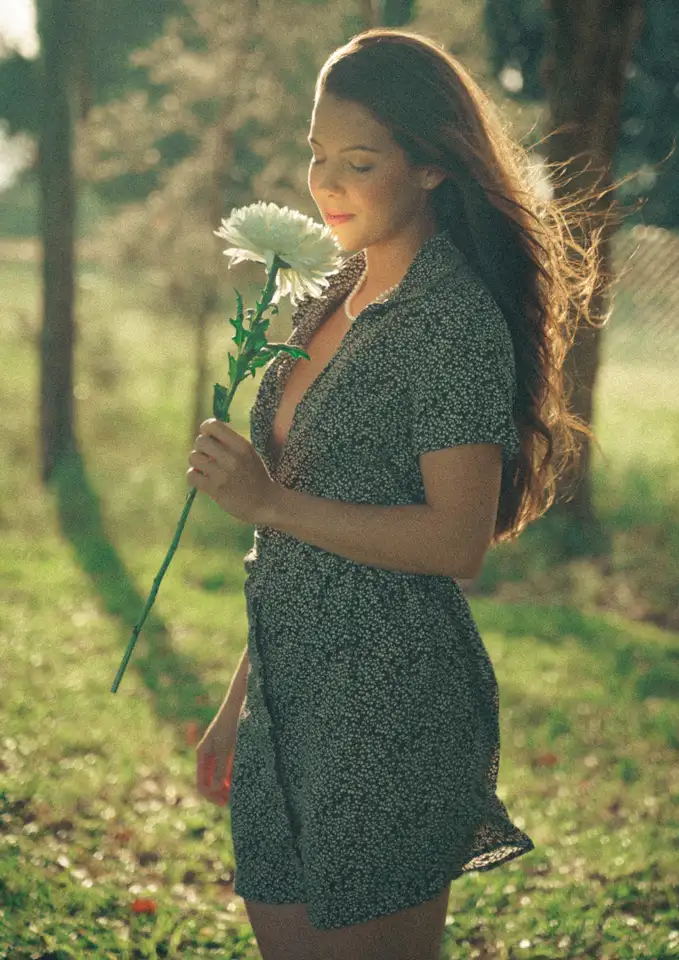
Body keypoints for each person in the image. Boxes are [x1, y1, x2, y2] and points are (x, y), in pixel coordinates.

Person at [190, 27, 603, 960]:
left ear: (430, 168)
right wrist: (237, 700)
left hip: (389, 707)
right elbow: (292, 536)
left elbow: (457, 541)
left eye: (360, 161)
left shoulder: (451, 320)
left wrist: (269, 504)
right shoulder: (326, 296)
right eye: (317, 156)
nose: (325, 184)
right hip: (283, 706)